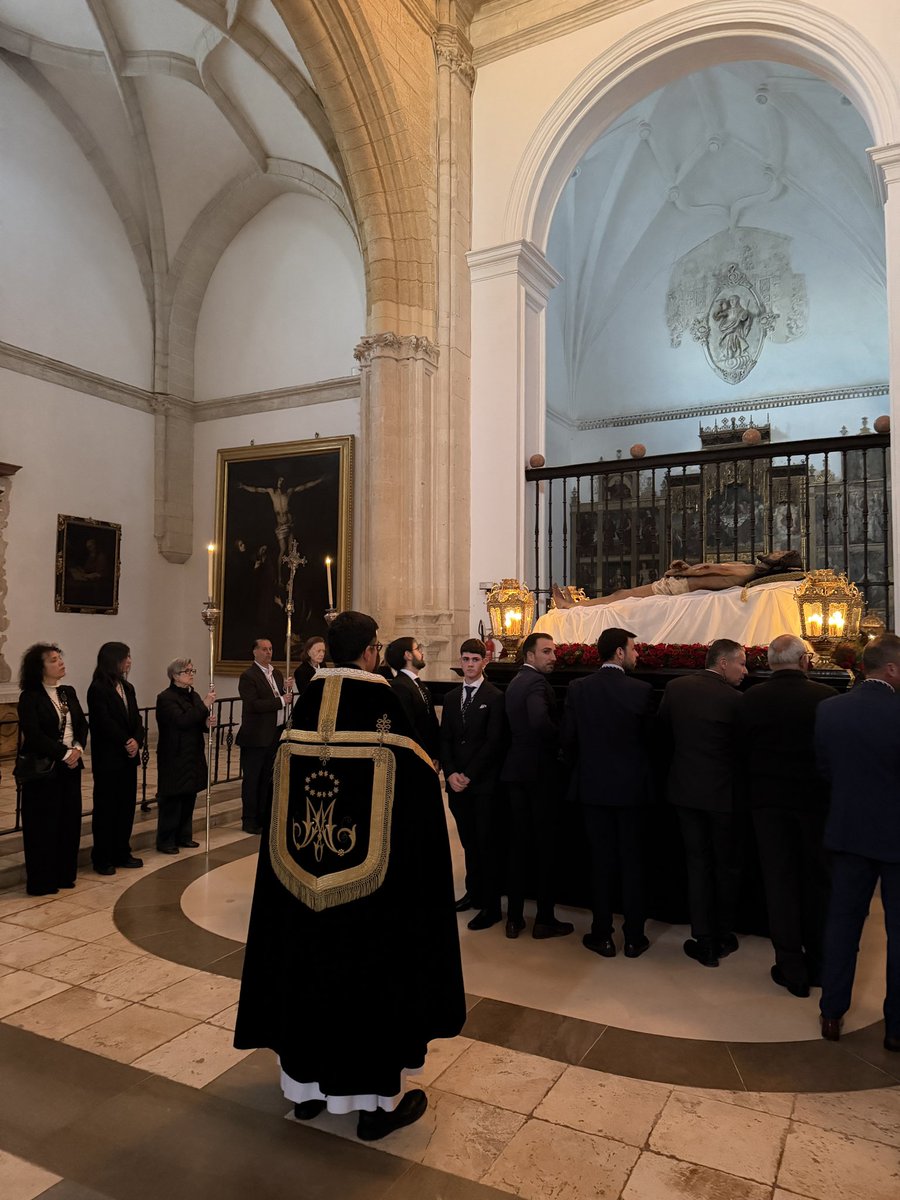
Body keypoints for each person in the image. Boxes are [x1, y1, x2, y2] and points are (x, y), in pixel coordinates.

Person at [234, 610, 465, 1140]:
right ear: (370, 652)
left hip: (299, 899)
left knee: (307, 977)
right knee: (368, 987)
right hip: (373, 907)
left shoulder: (299, 719)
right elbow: (422, 825)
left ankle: (307, 1093)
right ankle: (374, 1108)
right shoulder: (392, 719)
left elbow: (271, 808)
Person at [737, 634, 836, 997]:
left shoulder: (751, 698)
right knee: (818, 882)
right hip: (815, 804)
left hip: (767, 804)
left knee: (779, 884)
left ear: (769, 662)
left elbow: (741, 749)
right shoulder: (824, 697)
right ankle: (823, 963)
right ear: (805, 661)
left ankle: (791, 967)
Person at [815, 633, 900, 1051]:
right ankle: (897, 1028)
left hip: (847, 831)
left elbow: (825, 769)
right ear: (891, 669)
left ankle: (832, 1013)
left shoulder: (830, 710)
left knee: (843, 925)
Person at [561, 627, 653, 959]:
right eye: (633, 649)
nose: (636, 654)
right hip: (631, 792)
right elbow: (650, 744)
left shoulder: (578, 688)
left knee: (599, 864)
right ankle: (634, 937)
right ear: (618, 653)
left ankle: (602, 934)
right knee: (633, 864)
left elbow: (568, 741)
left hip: (593, 789)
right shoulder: (641, 690)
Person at [657, 638, 746, 968]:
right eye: (741, 663)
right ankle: (724, 934)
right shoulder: (737, 700)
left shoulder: (676, 688)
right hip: (724, 796)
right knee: (726, 866)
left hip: (684, 792)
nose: (745, 670)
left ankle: (704, 940)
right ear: (723, 663)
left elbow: (663, 733)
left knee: (697, 866)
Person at [500, 632, 574, 941]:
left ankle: (515, 919)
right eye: (546, 652)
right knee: (545, 848)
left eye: (554, 651)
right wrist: (561, 740)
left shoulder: (517, 681)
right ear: (530, 655)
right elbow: (539, 721)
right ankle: (544, 919)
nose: (553, 657)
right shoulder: (536, 684)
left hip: (515, 771)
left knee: (518, 847)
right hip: (539, 774)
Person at [439, 638, 506, 928]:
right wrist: (451, 773)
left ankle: (491, 906)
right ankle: (473, 893)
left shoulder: (494, 696)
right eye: (465, 659)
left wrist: (469, 775)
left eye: (474, 660)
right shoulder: (453, 697)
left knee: (486, 844)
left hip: (483, 785)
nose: (469, 665)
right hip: (456, 784)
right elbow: (446, 739)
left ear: (484, 662)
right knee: (468, 842)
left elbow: (494, 742)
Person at [17, 643, 88, 896]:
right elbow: (34, 735)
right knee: (42, 826)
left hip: (71, 766)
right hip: (43, 770)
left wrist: (78, 748)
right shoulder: (30, 697)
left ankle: (64, 874)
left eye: (60, 658)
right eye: (54, 660)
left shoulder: (68, 692)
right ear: (40, 667)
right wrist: (65, 753)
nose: (61, 663)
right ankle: (42, 881)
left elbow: (81, 724)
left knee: (68, 822)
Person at [552, 549, 802, 608]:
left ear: (778, 563)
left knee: (621, 596)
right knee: (622, 596)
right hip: (683, 583)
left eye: (779, 553)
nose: (774, 551)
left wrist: (684, 572)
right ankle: (574, 604)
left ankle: (572, 605)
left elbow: (711, 571)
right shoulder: (750, 570)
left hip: (680, 587)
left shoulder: (749, 572)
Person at [87, 641, 145, 876]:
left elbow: (137, 718)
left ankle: (122, 851)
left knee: (125, 807)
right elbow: (103, 722)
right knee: (106, 808)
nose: (129, 661)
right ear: (113, 660)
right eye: (126, 657)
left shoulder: (127, 687)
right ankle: (102, 857)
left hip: (128, 758)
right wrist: (125, 740)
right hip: (109, 757)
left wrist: (137, 740)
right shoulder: (98, 688)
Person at [155, 659, 214, 854]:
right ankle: (166, 840)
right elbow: (181, 721)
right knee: (172, 799)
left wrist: (206, 722)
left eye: (192, 670)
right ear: (175, 676)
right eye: (187, 671)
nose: (191, 673)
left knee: (189, 796)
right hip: (174, 754)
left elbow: (197, 721)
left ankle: (184, 836)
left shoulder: (193, 695)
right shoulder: (165, 698)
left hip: (192, 752)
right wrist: (204, 706)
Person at [235, 638, 292, 834]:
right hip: (255, 736)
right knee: (252, 779)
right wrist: (281, 701)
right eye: (264, 649)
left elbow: (279, 696)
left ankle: (263, 816)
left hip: (273, 734)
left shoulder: (275, 673)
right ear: (255, 652)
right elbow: (254, 704)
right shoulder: (248, 676)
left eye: (270, 649)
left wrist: (286, 691)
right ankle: (249, 819)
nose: (268, 652)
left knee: (267, 778)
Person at [386, 637, 440, 764]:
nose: (422, 653)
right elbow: (409, 727)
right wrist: (425, 756)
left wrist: (436, 755)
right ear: (408, 655)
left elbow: (431, 722)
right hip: (416, 758)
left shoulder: (419, 685)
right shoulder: (399, 686)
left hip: (429, 756)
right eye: (418, 648)